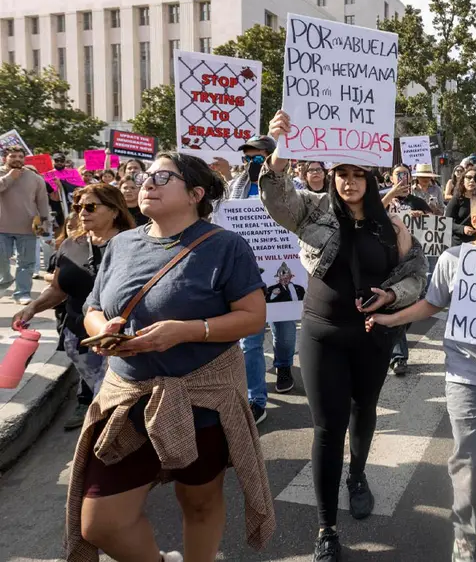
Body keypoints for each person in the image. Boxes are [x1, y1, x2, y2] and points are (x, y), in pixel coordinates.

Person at [68, 152, 274, 562]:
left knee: (199, 501)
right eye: (147, 174)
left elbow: (253, 318)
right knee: (100, 523)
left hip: (202, 404)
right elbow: (93, 307)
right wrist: (101, 330)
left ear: (196, 194)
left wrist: (186, 332)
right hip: (127, 404)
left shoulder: (225, 247)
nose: (148, 182)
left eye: (163, 176)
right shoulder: (122, 243)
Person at [262, 110, 428, 562]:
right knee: (327, 427)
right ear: (331, 176)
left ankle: (358, 476)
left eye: (359, 174)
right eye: (342, 174)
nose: (349, 182)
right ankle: (326, 527)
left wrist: (392, 293)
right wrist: (280, 151)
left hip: (373, 337)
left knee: (364, 410)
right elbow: (277, 200)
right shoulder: (312, 210)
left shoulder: (391, 226)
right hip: (321, 336)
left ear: (371, 179)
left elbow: (416, 273)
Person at [367, 185, 476, 562]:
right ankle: (464, 531)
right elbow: (431, 304)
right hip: (465, 377)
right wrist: (390, 318)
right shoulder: (454, 259)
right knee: (469, 459)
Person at [13, 184, 134, 430]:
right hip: (77, 338)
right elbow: (58, 289)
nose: (82, 212)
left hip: (120, 340)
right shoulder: (70, 244)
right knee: (103, 398)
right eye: (79, 207)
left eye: (90, 206)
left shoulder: (135, 244)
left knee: (113, 403)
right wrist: (32, 308)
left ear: (114, 211)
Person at [226, 134, 299, 406]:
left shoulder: (291, 186)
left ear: (270, 157)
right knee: (250, 340)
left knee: (285, 330)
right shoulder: (235, 187)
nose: (250, 162)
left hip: (282, 268)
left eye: (257, 157)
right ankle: (255, 397)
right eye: (247, 157)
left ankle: (283, 365)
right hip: (247, 272)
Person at [380, 164, 433, 376]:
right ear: (391, 178)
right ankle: (399, 356)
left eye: (406, 176)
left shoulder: (415, 201)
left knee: (408, 307)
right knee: (396, 305)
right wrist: (390, 195)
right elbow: (370, 212)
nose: (402, 179)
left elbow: (436, 223)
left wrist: (424, 215)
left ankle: (392, 341)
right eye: (398, 175)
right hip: (386, 259)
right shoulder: (383, 198)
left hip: (412, 261)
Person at [1, 146, 50, 305]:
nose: (17, 159)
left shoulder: (35, 178)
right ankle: (5, 279)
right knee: (1, 260)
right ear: (4, 158)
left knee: (26, 263)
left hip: (27, 227)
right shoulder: (2, 174)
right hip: (1, 227)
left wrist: (44, 223)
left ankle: (22, 293)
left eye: (20, 157)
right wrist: (9, 177)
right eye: (13, 156)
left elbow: (42, 202)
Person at [445, 170, 476, 247]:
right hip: (459, 243)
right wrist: (462, 229)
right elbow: (446, 222)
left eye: (475, 178)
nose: (472, 180)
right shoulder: (456, 199)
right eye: (469, 177)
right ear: (463, 181)